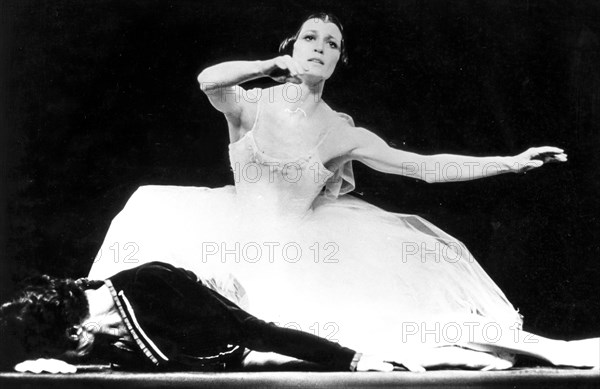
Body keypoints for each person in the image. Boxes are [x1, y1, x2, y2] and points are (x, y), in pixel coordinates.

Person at [87, 13, 598, 370]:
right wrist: (270, 65)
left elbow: (424, 168)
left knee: (365, 336)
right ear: (294, 45)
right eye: (312, 38)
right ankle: (88, 335)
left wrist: (509, 163)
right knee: (150, 224)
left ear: (338, 62)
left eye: (332, 44)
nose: (320, 49)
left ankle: (538, 351)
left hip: (299, 251)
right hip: (226, 233)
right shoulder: (252, 104)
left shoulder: (341, 132)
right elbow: (207, 81)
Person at [0, 261, 400, 373]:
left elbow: (256, 332)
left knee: (397, 350)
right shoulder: (95, 328)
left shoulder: (150, 287)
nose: (73, 358)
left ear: (73, 330)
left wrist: (352, 359)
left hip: (248, 319)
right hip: (223, 348)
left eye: (65, 349)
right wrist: (37, 361)